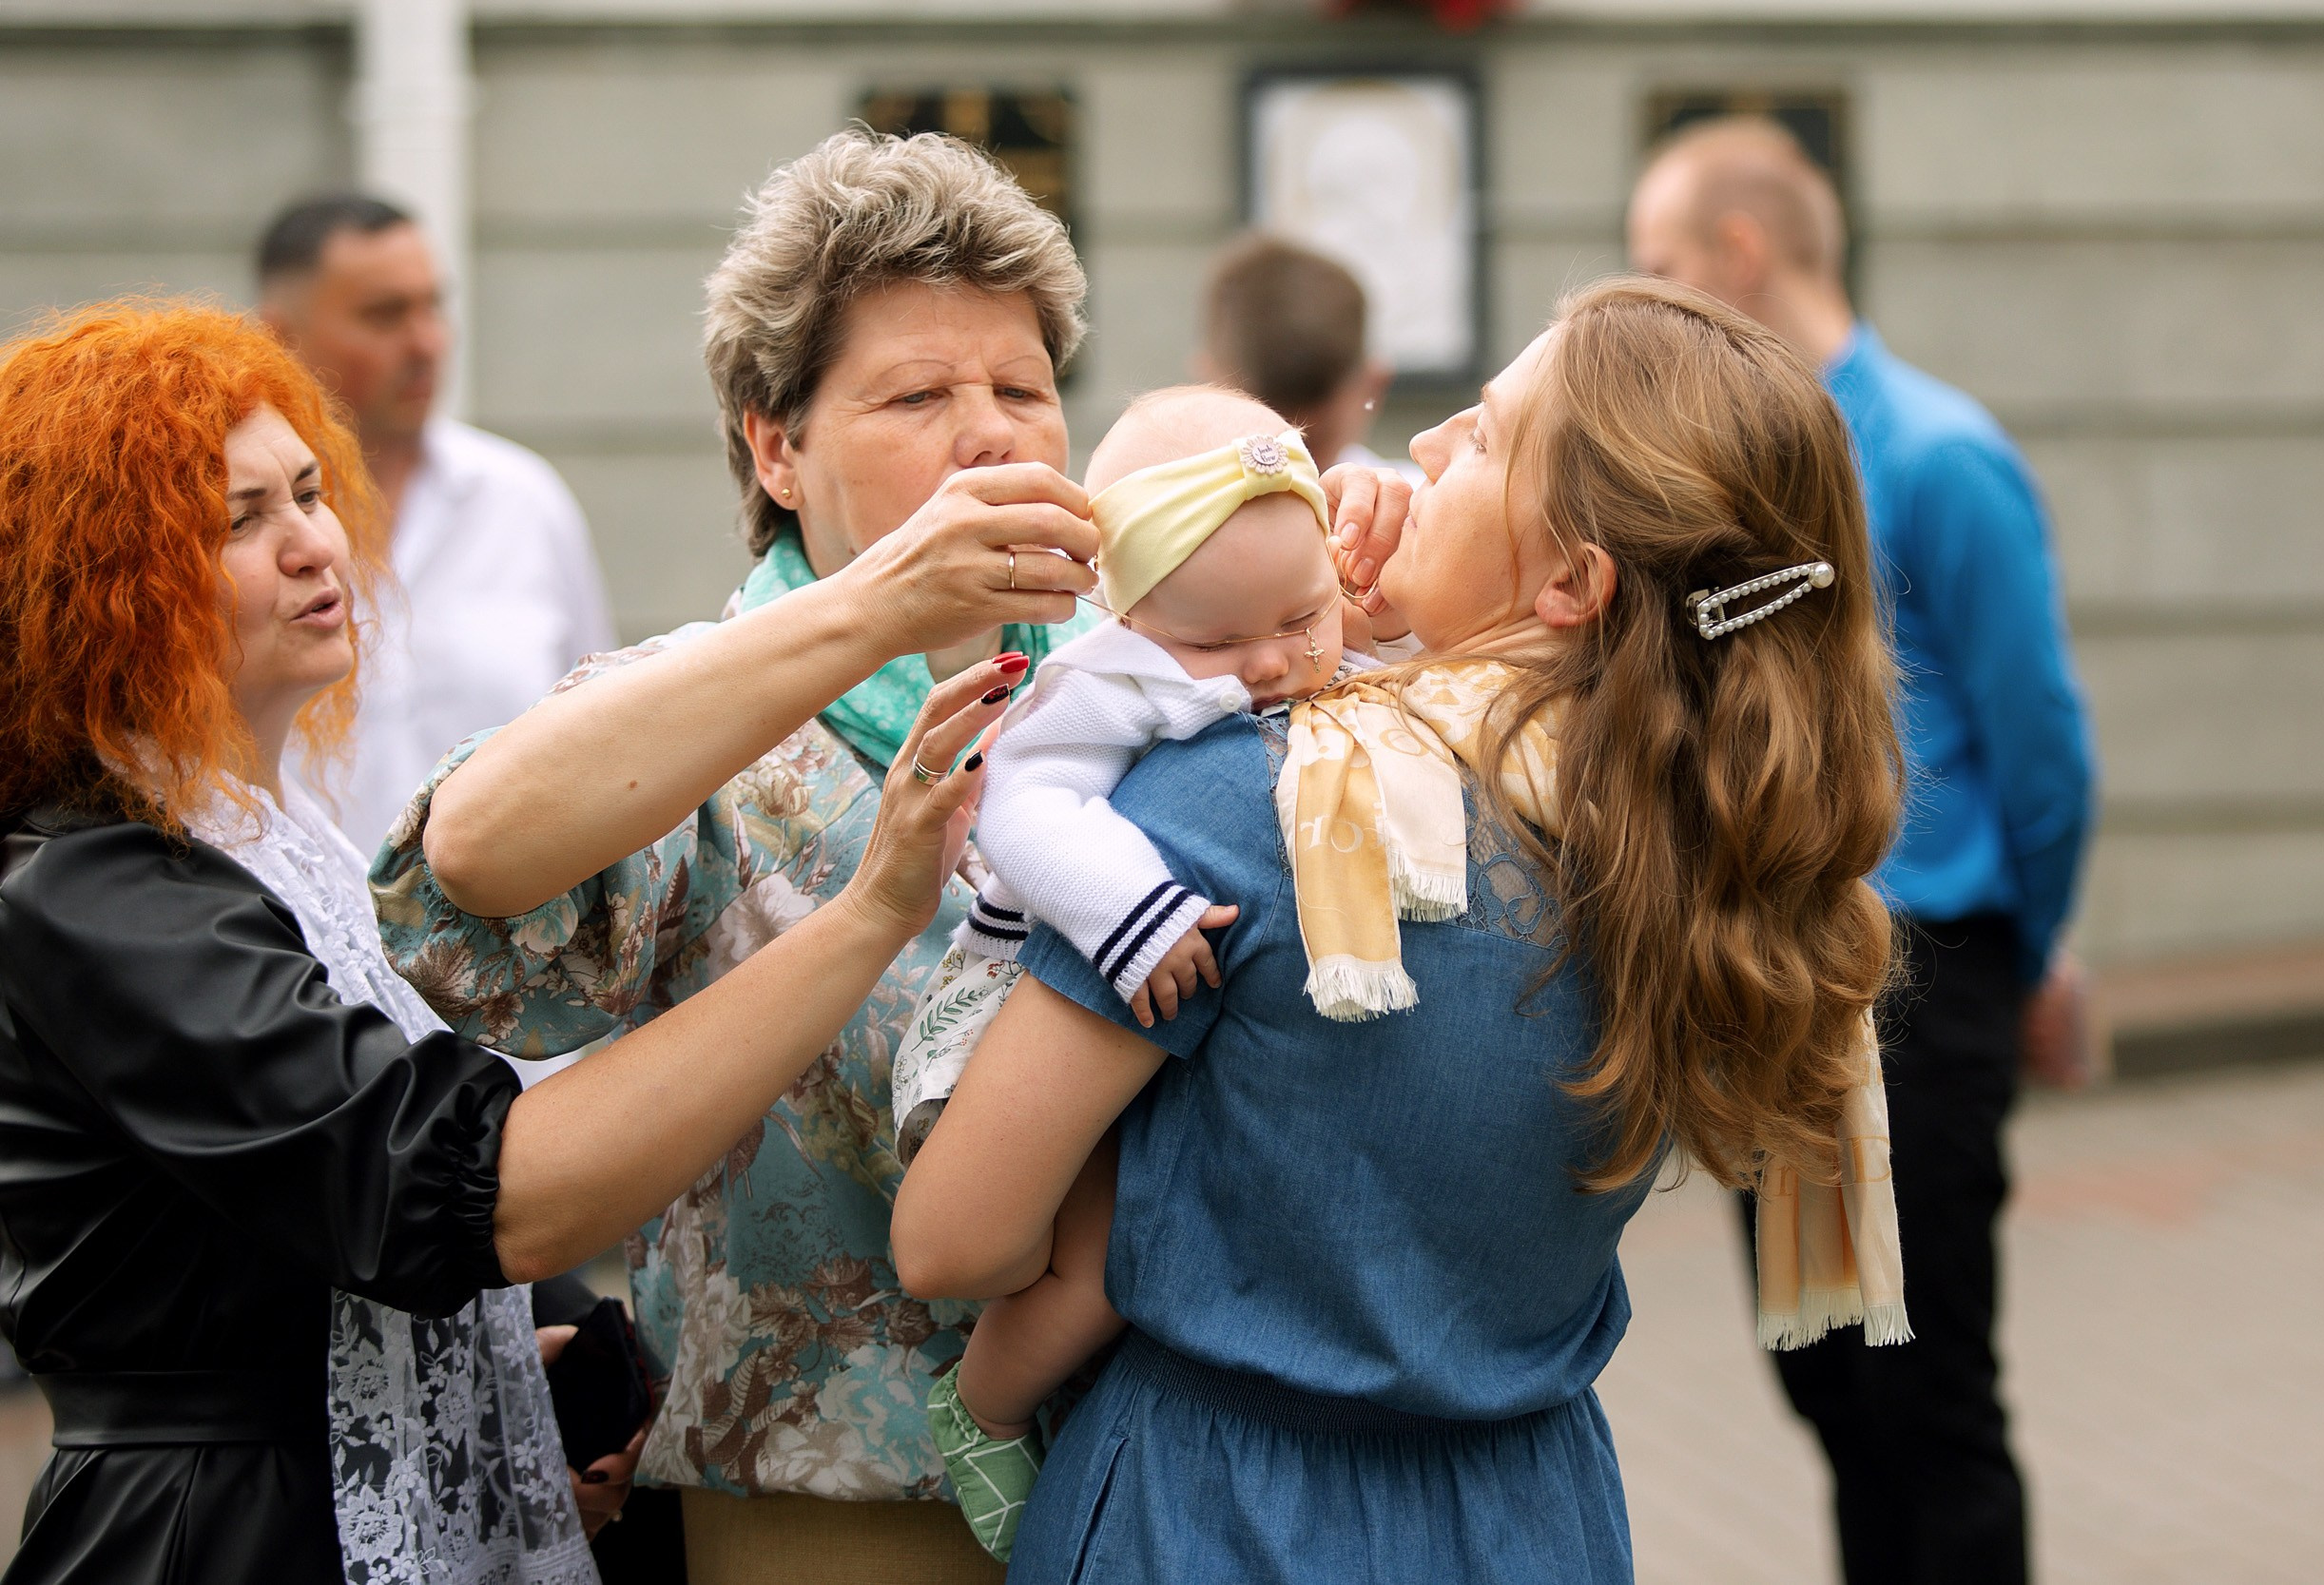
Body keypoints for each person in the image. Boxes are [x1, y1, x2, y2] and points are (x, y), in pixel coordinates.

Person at [890, 277, 1907, 1582]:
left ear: (1573, 580)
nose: (1418, 448)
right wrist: (1346, 625)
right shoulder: (1700, 848)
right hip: (1533, 1510)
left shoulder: (1258, 805)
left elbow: (951, 1238)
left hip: (1219, 1512)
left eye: (1481, 437)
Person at [0, 302, 997, 1583]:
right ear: (98, 586)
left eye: (308, 491)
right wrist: (867, 915)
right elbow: (472, 1190)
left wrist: (545, 1354)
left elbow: (317, 1239)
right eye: (237, 519)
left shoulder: (255, 841)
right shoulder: (93, 888)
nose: (314, 541)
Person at [372, 128, 1099, 1584]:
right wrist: (880, 605)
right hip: (829, 1503)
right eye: (918, 395)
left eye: (1023, 388)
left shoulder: (1135, 687)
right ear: (776, 444)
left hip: (1146, 1465)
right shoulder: (701, 721)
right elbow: (460, 870)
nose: (994, 433)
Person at [1628, 115, 2097, 1585]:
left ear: (1742, 255)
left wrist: (2032, 952)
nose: (1649, 299)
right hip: (1782, 996)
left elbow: (2044, 749)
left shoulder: (1944, 457)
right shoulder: (1746, 474)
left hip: (1928, 990)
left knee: (1929, 1401)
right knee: (1832, 1389)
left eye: (1661, 267)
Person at [902, 386, 1376, 1558]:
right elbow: (1020, 803)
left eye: (1305, 619)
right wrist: (1134, 912)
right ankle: (985, 1405)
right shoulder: (1103, 680)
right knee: (1112, 1257)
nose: (1273, 664)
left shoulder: (1290, 622)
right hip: (1039, 996)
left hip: (1144, 1022)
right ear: (1125, 607)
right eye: (1217, 643)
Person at [257, 193, 616, 855]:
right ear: (281, 336)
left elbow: (597, 737)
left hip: (512, 947)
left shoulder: (521, 502)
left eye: (433, 306)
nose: (426, 342)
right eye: (384, 315)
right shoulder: (232, 534)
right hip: (292, 941)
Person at [1194, 234, 1405, 476]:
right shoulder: (1421, 504)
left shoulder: (1163, 508)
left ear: (1210, 386)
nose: (1294, 470)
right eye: (1267, 449)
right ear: (1375, 385)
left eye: (1310, 446)